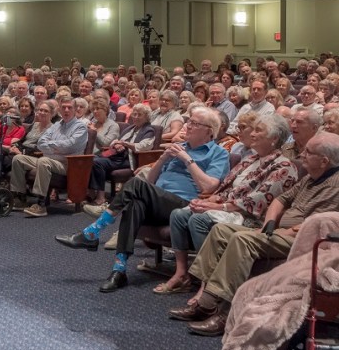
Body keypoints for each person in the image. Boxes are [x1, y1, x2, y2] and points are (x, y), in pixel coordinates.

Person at [169, 132, 339, 336]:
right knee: (221, 231)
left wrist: (283, 230)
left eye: (308, 152)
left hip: (304, 241)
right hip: (276, 231)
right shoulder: (312, 177)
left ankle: (226, 314)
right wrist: (268, 224)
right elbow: (281, 200)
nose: (302, 154)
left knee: (242, 239)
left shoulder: (335, 185)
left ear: (324, 161)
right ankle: (206, 300)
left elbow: (320, 224)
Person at [56, 107, 230, 292]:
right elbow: (151, 181)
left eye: (194, 123)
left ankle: (94, 231)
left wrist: (187, 159)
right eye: (189, 121)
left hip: (184, 205)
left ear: (209, 131)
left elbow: (209, 186)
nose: (188, 126)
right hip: (157, 201)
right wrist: (162, 159)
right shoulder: (180, 148)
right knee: (135, 204)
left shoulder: (218, 153)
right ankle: (119, 270)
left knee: (136, 185)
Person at [155, 114, 298, 294]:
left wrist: (217, 206)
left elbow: (257, 201)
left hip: (251, 218)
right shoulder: (250, 159)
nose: (252, 134)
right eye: (252, 129)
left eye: (258, 130)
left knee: (198, 220)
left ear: (274, 138)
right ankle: (181, 273)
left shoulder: (283, 166)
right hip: (228, 209)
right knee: (179, 214)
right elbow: (226, 188)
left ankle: (206, 283)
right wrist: (209, 200)